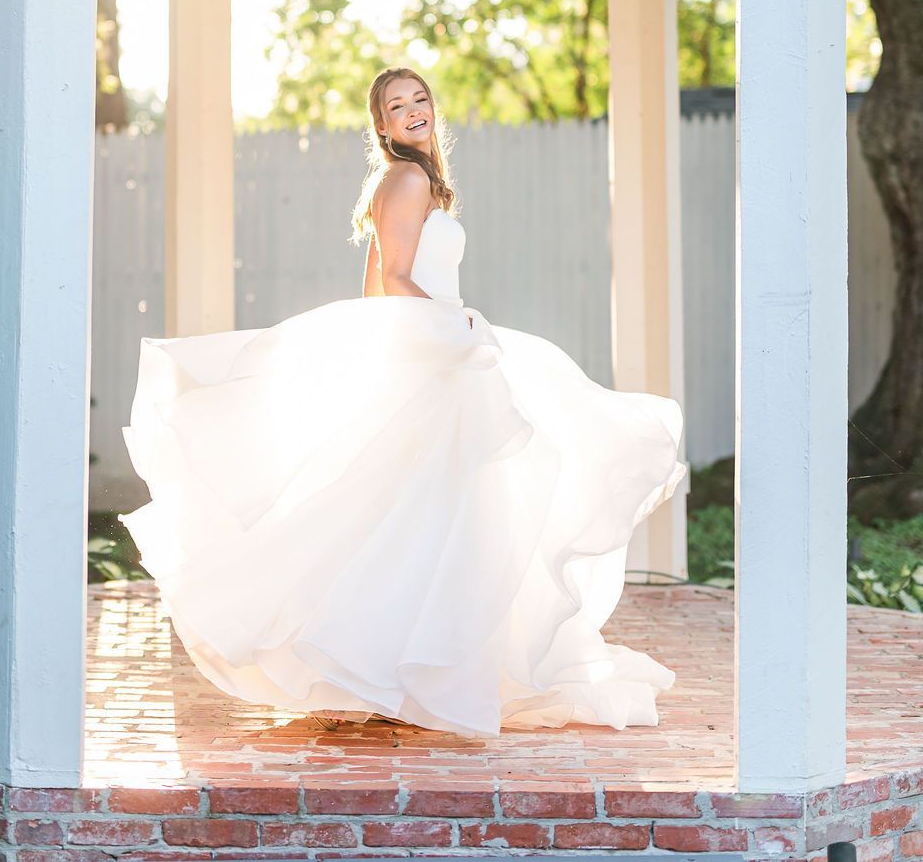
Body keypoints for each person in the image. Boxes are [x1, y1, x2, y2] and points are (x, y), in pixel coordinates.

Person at [121, 66, 685, 736]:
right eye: (397, 105)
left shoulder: (414, 182)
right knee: (444, 519)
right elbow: (392, 277)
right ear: (382, 125)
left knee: (424, 522)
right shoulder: (407, 179)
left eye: (420, 99)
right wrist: (454, 327)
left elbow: (377, 289)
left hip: (436, 354)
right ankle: (418, 671)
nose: (413, 110)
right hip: (440, 352)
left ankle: (405, 671)